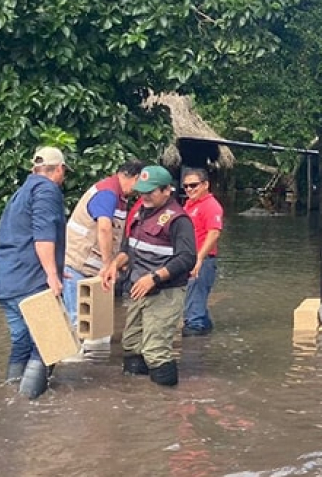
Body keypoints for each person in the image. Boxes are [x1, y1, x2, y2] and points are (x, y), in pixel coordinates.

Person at [100, 165, 195, 387]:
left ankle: (165, 405)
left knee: (156, 350)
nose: (144, 196)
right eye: (142, 191)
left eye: (150, 192)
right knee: (131, 343)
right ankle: (138, 400)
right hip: (137, 288)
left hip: (164, 291)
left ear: (166, 191)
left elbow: (187, 259)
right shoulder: (141, 212)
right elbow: (129, 247)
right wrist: (114, 265)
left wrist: (154, 277)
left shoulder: (178, 220)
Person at [0, 146, 69, 399]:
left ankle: (11, 396)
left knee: (22, 342)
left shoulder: (20, 193)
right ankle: (28, 403)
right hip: (31, 281)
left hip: (8, 281)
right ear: (59, 169)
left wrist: (56, 269)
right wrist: (52, 275)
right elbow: (43, 236)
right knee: (49, 343)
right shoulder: (47, 190)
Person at [62, 159, 144, 342]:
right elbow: (105, 228)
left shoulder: (119, 197)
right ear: (136, 177)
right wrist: (108, 264)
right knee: (78, 322)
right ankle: (74, 366)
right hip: (77, 265)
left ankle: (89, 365)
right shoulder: (108, 193)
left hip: (93, 271)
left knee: (94, 326)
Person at [179, 167, 224, 336]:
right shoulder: (190, 205)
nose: (190, 189)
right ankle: (204, 338)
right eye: (186, 186)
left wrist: (199, 258)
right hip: (190, 259)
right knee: (196, 303)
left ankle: (192, 353)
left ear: (205, 185)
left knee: (193, 316)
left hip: (202, 261)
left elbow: (214, 233)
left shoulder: (210, 206)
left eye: (194, 185)